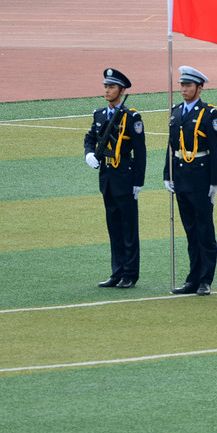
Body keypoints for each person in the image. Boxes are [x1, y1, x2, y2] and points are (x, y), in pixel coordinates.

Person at [83, 68, 145, 289]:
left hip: (125, 178)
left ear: (122, 90)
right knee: (114, 228)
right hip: (107, 178)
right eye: (106, 86)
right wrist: (89, 153)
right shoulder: (100, 115)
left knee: (128, 229)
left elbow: (140, 151)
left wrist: (138, 182)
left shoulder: (132, 117)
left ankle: (130, 273)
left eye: (111, 87)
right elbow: (90, 137)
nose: (107, 90)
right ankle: (116, 272)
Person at [163, 66, 217, 297]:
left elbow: (215, 150)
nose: (184, 89)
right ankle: (193, 278)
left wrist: (214, 182)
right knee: (190, 231)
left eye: (188, 85)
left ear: (199, 87)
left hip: (201, 176)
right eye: (182, 85)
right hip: (182, 176)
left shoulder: (209, 113)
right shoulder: (176, 112)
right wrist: (168, 174)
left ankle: (205, 279)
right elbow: (171, 146)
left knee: (204, 230)